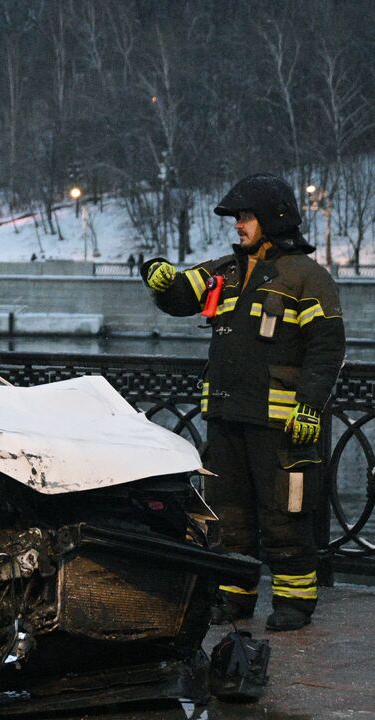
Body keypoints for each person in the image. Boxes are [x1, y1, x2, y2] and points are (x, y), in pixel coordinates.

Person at [144, 172, 345, 632]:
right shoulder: (225, 270)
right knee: (229, 513)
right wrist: (158, 276)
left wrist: (310, 408)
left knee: (284, 513)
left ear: (273, 220)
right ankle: (234, 597)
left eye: (246, 217)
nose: (238, 225)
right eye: (237, 217)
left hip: (281, 423)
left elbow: (326, 349)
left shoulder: (307, 277)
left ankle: (295, 602)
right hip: (227, 413)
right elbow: (179, 296)